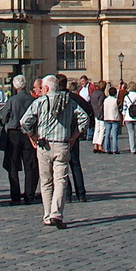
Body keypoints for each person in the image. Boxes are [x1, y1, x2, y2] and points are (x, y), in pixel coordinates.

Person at [21, 74, 88, 228]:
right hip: (62, 144)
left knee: (46, 181)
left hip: (43, 145)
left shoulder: (40, 102)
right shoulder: (68, 101)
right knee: (61, 180)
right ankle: (56, 213)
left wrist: (32, 136)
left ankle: (47, 215)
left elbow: (24, 122)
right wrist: (74, 136)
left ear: (46, 88)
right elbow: (84, 118)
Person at [0, 75, 38, 204]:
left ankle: (15, 196)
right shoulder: (32, 100)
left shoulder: (12, 100)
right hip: (28, 134)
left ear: (15, 87)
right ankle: (29, 195)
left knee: (13, 165)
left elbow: (4, 117)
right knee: (30, 165)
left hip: (14, 133)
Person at [59, 76, 91, 201]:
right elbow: (88, 111)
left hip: (61, 136)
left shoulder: (56, 98)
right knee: (75, 165)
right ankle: (81, 193)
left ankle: (67, 194)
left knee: (61, 165)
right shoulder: (75, 97)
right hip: (73, 135)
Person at [103, 86, 121, 154]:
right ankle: (114, 149)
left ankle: (107, 148)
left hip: (107, 117)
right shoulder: (115, 100)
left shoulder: (106, 100)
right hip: (114, 118)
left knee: (107, 134)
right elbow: (119, 108)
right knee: (114, 134)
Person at [90, 80, 106, 152]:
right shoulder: (101, 94)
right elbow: (101, 105)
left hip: (95, 112)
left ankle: (95, 144)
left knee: (97, 129)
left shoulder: (94, 93)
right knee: (102, 129)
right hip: (100, 113)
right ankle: (100, 145)